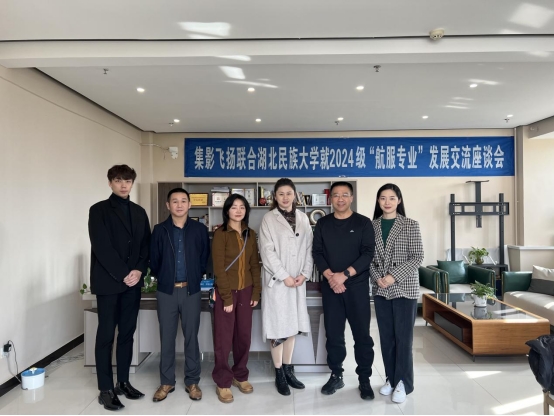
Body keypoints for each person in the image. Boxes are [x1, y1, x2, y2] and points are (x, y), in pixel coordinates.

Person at [88, 164, 151, 411]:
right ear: (110, 183)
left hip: (132, 283)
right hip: (109, 282)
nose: (123, 185)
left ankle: (123, 382)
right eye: (118, 180)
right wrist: (125, 273)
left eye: (127, 181)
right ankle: (105, 388)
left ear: (132, 183)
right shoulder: (98, 210)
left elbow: (145, 245)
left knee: (126, 333)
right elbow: (101, 247)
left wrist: (138, 270)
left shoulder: (139, 212)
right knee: (106, 335)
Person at [312, 181, 376, 400]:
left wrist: (344, 275)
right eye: (336, 195)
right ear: (330, 199)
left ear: (351, 198)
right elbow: (317, 253)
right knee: (333, 335)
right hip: (331, 288)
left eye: (345, 195)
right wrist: (332, 277)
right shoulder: (323, 223)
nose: (340, 199)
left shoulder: (363, 223)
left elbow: (367, 254)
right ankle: (336, 374)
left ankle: (364, 378)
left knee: (362, 335)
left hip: (357, 288)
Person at [149, 188, 210, 403]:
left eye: (183, 201)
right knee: (167, 337)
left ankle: (192, 381)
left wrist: (194, 276)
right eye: (175, 201)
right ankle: (167, 382)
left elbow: (204, 258)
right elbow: (153, 260)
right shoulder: (159, 230)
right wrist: (165, 276)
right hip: (166, 291)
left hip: (191, 290)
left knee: (191, 337)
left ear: (190, 204)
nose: (179, 205)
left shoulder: (199, 230)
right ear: (168, 205)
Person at [370, 183, 424, 404]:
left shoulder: (410, 224)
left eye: (392, 198)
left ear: (399, 200)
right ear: (378, 201)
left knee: (403, 339)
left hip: (404, 288)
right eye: (383, 198)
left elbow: (417, 256)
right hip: (380, 288)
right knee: (387, 338)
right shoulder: (371, 225)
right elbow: (367, 257)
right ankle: (391, 379)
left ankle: (404, 382)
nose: (387, 202)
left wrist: (393, 276)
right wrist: (377, 277)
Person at [259, 178, 313, 396]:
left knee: (291, 326)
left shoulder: (303, 218)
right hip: (278, 282)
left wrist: (304, 274)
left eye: (289, 193)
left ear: (295, 195)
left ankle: (289, 369)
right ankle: (279, 372)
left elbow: (309, 248)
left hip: (298, 280)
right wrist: (284, 276)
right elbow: (267, 252)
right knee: (277, 327)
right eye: (280, 194)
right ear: (275, 196)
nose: (285, 197)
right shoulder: (268, 219)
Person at [211, 194, 262, 404]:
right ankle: (223, 381)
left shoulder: (251, 233)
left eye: (242, 207)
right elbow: (219, 268)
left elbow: (254, 265)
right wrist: (226, 297)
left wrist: (256, 292)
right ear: (227, 211)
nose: (238, 210)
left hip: (246, 291)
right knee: (223, 339)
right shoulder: (220, 234)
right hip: (227, 292)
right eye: (234, 207)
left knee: (243, 336)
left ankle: (240, 375)